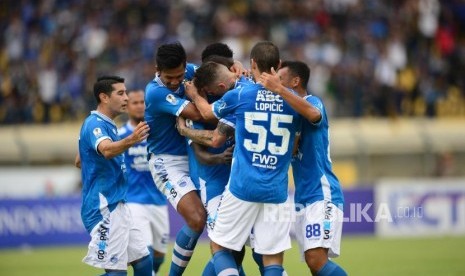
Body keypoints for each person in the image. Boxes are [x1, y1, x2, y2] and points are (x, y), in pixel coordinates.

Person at [185, 41, 300, 276]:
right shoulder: (295, 101)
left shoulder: (241, 95)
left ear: (253, 63)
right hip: (277, 190)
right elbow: (299, 139)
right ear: (278, 65)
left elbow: (207, 113)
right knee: (272, 257)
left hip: (242, 187)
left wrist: (195, 95)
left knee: (219, 245)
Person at [258, 62, 347, 276]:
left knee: (316, 260)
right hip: (304, 198)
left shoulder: (312, 101)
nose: (275, 83)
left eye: (280, 79)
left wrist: (278, 90)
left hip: (322, 193)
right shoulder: (289, 115)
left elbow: (314, 114)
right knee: (314, 264)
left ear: (295, 81)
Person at [144, 41, 208, 276]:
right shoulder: (155, 92)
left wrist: (237, 66)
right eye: (168, 77)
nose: (174, 82)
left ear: (185, 65)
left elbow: (220, 72)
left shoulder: (191, 71)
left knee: (219, 223)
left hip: (194, 157)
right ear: (157, 69)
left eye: (179, 75)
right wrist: (194, 94)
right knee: (197, 218)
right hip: (166, 162)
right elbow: (200, 112)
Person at [77, 75, 152, 276]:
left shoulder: (107, 124)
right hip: (104, 208)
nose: (126, 98)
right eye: (121, 93)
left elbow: (79, 159)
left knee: (144, 262)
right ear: (104, 97)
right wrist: (133, 138)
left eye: (126, 92)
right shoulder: (96, 124)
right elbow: (107, 150)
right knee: (116, 272)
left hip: (118, 203)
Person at [118, 89, 169, 275]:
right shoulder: (121, 134)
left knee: (159, 254)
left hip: (158, 201)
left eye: (142, 102)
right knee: (144, 251)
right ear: (127, 106)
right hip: (134, 201)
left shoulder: (156, 132)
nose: (140, 106)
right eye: (135, 102)